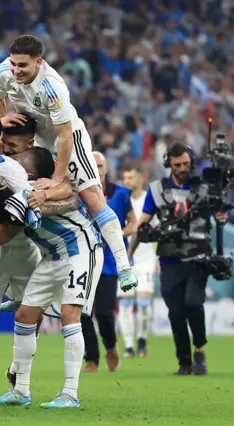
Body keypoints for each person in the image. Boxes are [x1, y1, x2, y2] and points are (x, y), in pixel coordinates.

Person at [0, 34, 136, 292]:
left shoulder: (53, 87)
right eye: (13, 63)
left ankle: (124, 266)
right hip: (35, 140)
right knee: (23, 201)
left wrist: (58, 178)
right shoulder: (3, 72)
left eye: (22, 66)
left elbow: (65, 135)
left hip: (66, 138)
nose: (16, 70)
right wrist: (5, 127)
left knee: (92, 197)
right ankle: (26, 284)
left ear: (39, 62)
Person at [0, 147, 103, 409]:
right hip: (51, 256)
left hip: (80, 249)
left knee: (71, 315)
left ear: (30, 174)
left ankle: (70, 393)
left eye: (18, 164)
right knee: (24, 316)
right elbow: (4, 233)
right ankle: (21, 390)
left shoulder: (36, 190)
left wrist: (42, 197)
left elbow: (73, 193)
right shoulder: (17, 192)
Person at [0, 115, 79, 403]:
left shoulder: (39, 164)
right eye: (3, 142)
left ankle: (18, 370)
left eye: (12, 145)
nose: (5, 148)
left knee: (33, 314)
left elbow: (69, 187)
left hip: (28, 246)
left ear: (29, 144)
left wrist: (47, 195)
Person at [128, 143, 227, 375]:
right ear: (168, 164)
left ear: (191, 161)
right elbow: (142, 223)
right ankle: (184, 362)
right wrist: (128, 255)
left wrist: (221, 215)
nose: (183, 168)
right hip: (170, 259)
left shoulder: (205, 188)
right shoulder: (157, 190)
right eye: (177, 165)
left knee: (194, 303)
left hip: (198, 257)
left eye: (185, 163)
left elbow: (219, 212)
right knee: (175, 312)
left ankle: (200, 349)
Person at [81, 152, 137, 373]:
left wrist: (116, 234)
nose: (97, 168)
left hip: (110, 263)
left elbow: (133, 223)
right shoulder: (79, 192)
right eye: (93, 165)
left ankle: (111, 346)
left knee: (104, 313)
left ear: (106, 168)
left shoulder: (121, 194)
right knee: (83, 312)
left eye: (100, 165)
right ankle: (92, 359)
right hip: (84, 259)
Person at [120, 163, 158, 357]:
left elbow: (159, 232)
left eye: (131, 178)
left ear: (140, 178)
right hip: (125, 261)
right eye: (125, 178)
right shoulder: (122, 200)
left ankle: (142, 339)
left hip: (146, 260)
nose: (127, 182)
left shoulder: (149, 200)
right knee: (125, 305)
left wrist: (158, 259)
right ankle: (128, 346)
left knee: (143, 305)